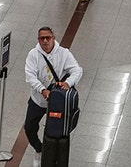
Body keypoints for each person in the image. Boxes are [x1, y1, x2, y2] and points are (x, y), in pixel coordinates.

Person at [23, 26, 82, 161]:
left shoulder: (64, 53)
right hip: (38, 100)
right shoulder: (33, 54)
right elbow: (30, 76)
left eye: (48, 38)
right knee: (29, 127)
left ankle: (55, 156)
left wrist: (68, 83)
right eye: (41, 38)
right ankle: (39, 149)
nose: (45, 41)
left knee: (57, 131)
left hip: (57, 102)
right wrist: (42, 90)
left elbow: (77, 70)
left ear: (53, 38)